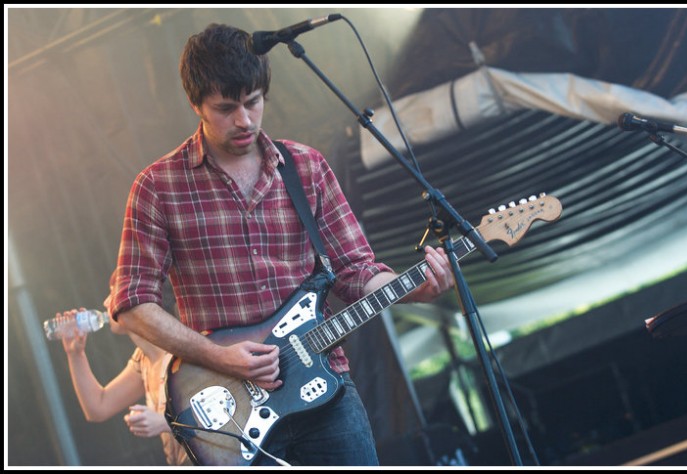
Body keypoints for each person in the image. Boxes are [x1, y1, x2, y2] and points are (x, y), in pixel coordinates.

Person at [110, 23, 454, 466]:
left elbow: (355, 270)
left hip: (323, 391)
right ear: (195, 103)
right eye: (225, 108)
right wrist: (221, 357)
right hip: (231, 413)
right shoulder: (158, 187)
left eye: (253, 102)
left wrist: (413, 289)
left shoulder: (306, 167)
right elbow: (133, 304)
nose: (244, 120)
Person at [59, 271, 190, 466]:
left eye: (112, 293)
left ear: (136, 299)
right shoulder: (143, 359)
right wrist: (75, 354)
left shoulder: (184, 349)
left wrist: (164, 423)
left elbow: (225, 411)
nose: (105, 302)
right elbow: (98, 407)